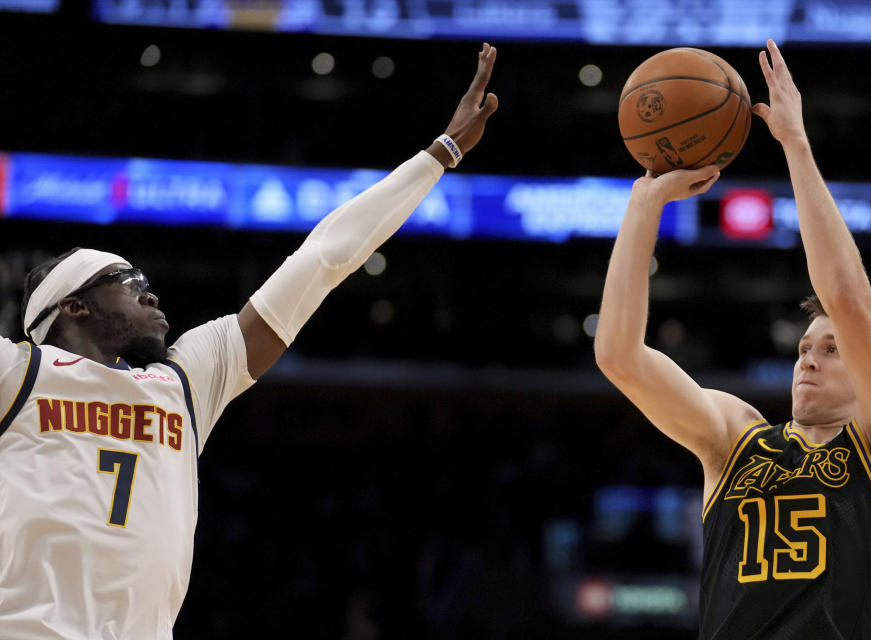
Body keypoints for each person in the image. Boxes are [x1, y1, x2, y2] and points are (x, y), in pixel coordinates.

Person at [0, 43, 498, 638]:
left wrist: (437, 156)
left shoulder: (183, 383)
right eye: (129, 282)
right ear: (73, 304)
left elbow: (322, 259)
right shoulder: (20, 372)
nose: (152, 294)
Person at [594, 39, 871, 638]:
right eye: (806, 347)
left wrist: (795, 144)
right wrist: (644, 205)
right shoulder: (735, 438)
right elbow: (619, 356)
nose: (809, 359)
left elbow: (847, 300)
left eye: (832, 350)